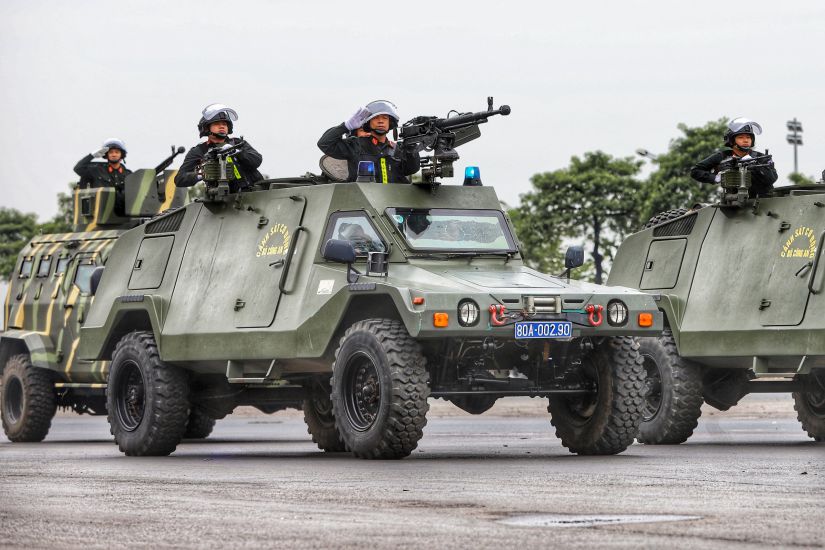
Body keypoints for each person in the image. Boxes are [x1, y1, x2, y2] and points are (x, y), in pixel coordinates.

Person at [318, 100, 420, 184]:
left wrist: (411, 145)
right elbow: (324, 143)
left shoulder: (398, 149)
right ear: (368, 123)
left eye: (385, 118)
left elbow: (412, 169)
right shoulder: (356, 144)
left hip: (392, 204)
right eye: (376, 118)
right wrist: (345, 126)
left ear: (390, 123)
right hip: (363, 203)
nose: (380, 121)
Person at [175, 103, 263, 192]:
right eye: (217, 124)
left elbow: (257, 160)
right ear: (206, 128)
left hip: (256, 193)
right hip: (225, 199)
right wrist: (202, 174)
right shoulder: (199, 151)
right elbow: (179, 179)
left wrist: (237, 152)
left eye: (224, 124)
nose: (222, 126)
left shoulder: (238, 143)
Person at [690, 118, 778, 197]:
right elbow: (695, 171)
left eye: (748, 137)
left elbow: (772, 179)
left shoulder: (761, 158)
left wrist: (755, 166)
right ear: (731, 141)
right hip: (734, 204)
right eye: (740, 137)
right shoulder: (722, 157)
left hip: (762, 203)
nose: (746, 140)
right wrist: (715, 178)